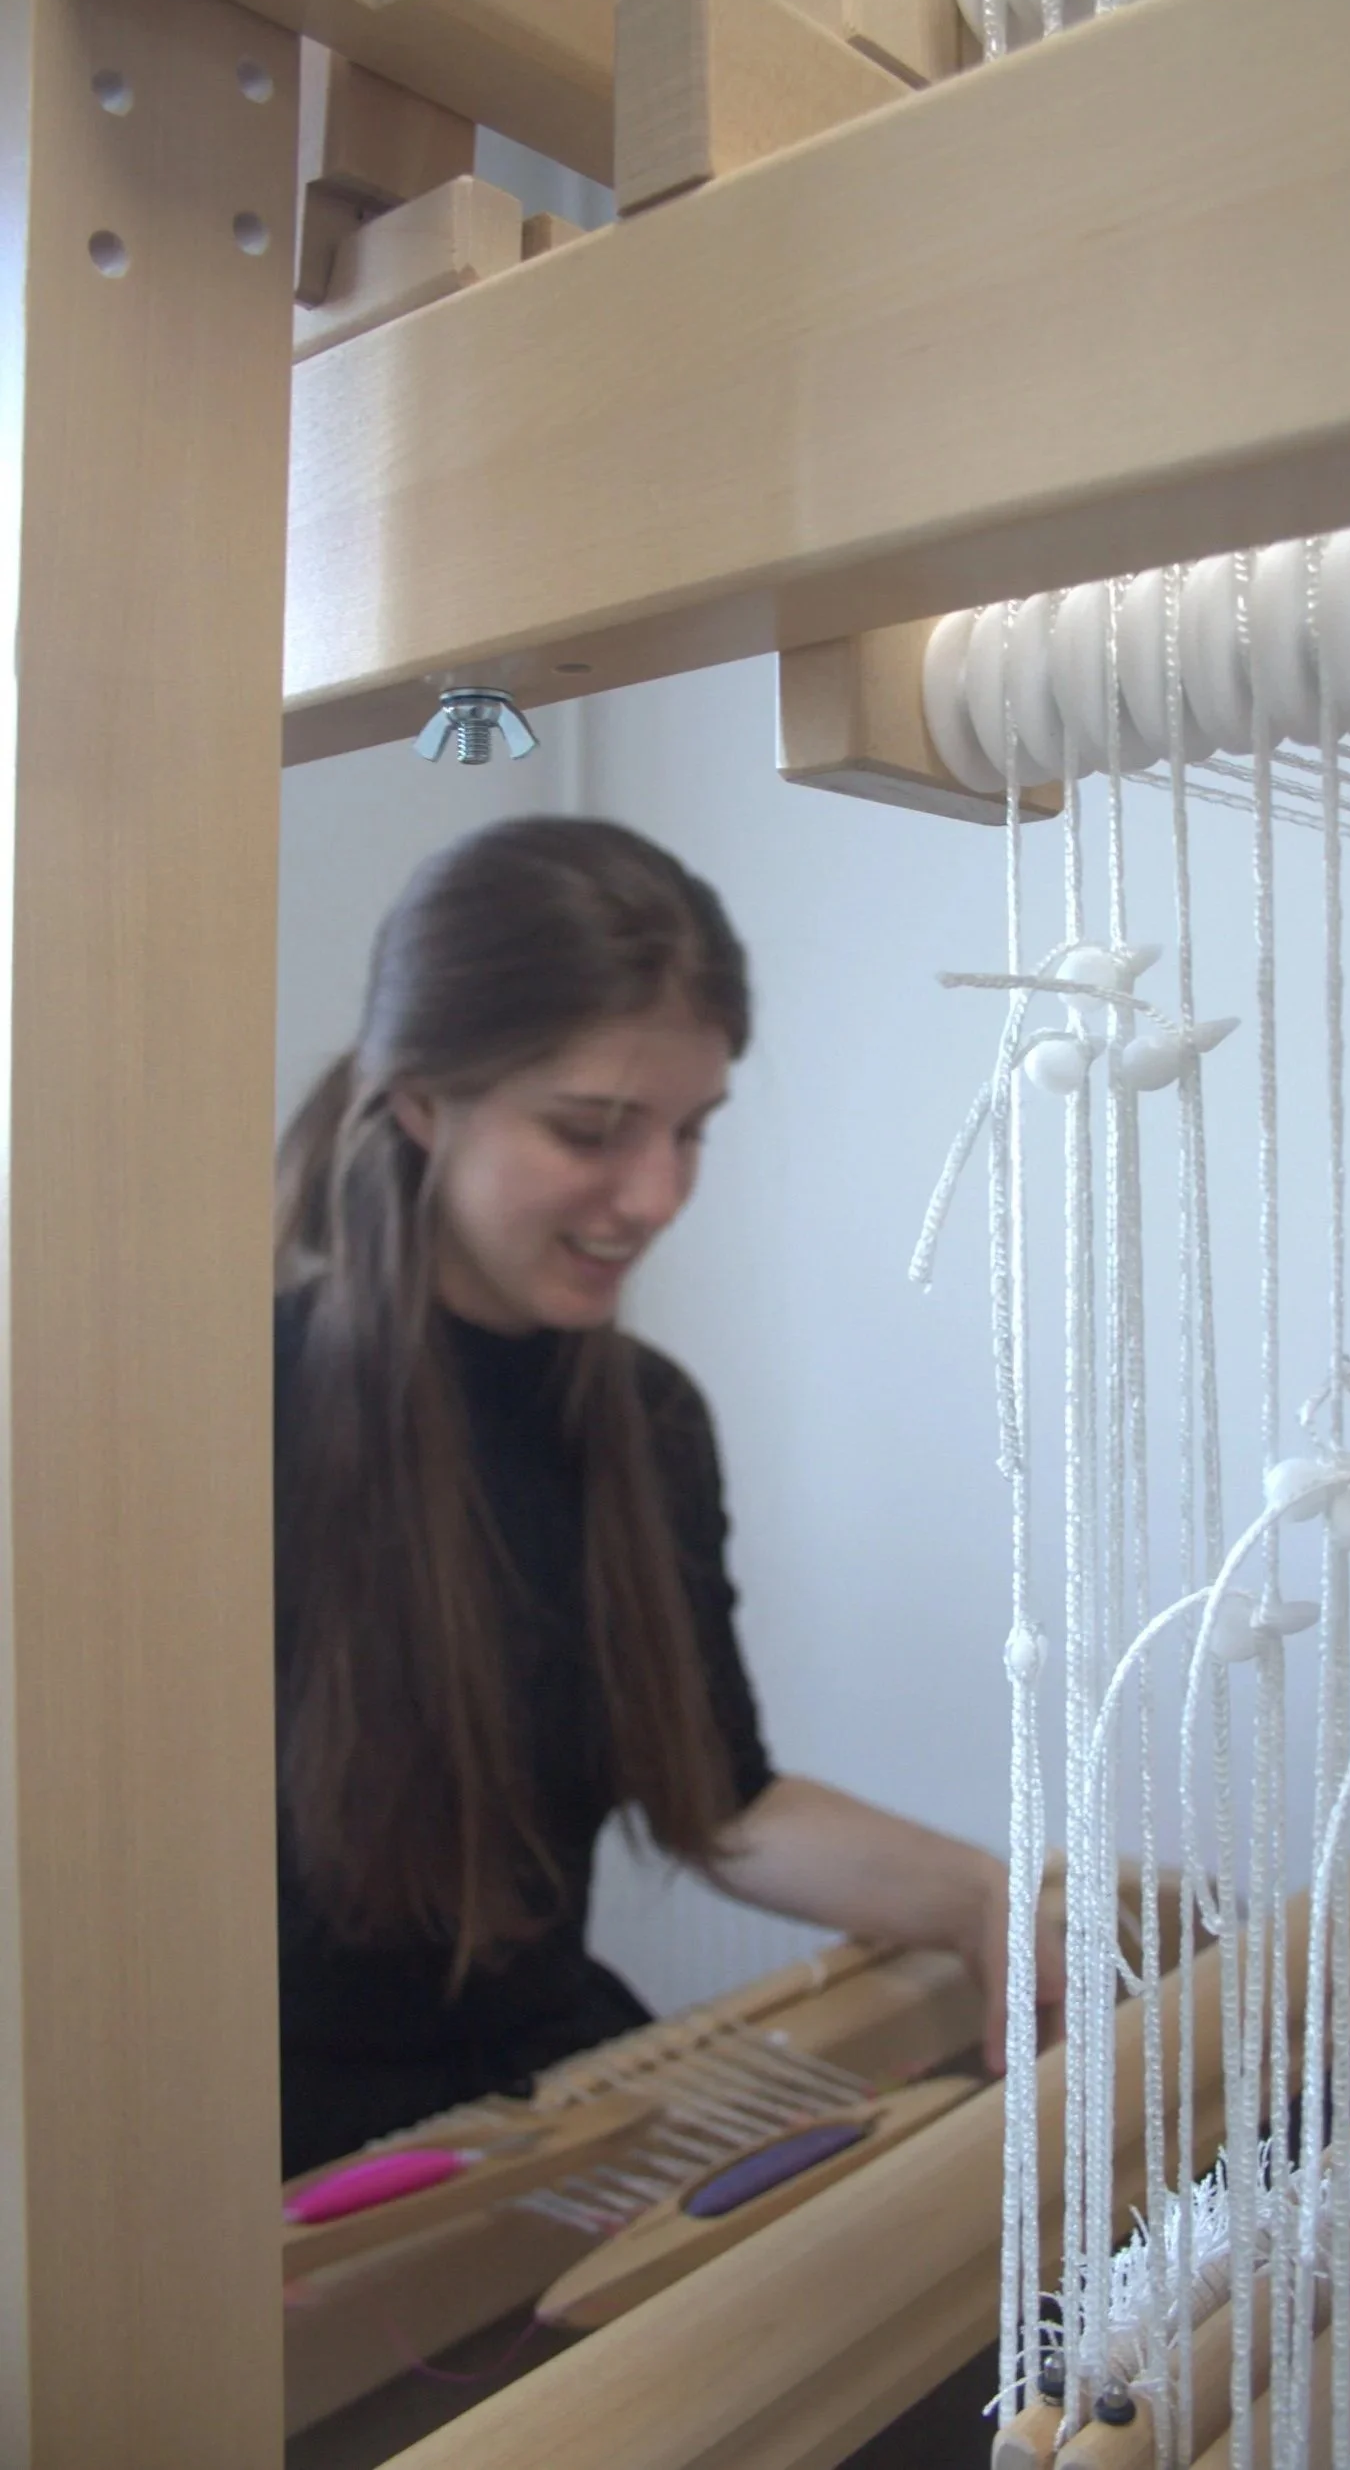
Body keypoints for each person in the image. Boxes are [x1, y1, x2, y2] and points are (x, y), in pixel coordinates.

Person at [274, 814, 1063, 2179]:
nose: (654, 1196)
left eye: (691, 1133)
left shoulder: (646, 1419)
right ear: (422, 1102)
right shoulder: (221, 1436)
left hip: (532, 2118)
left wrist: (996, 1898)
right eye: (592, 1131)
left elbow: (722, 1804)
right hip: (256, 2186)